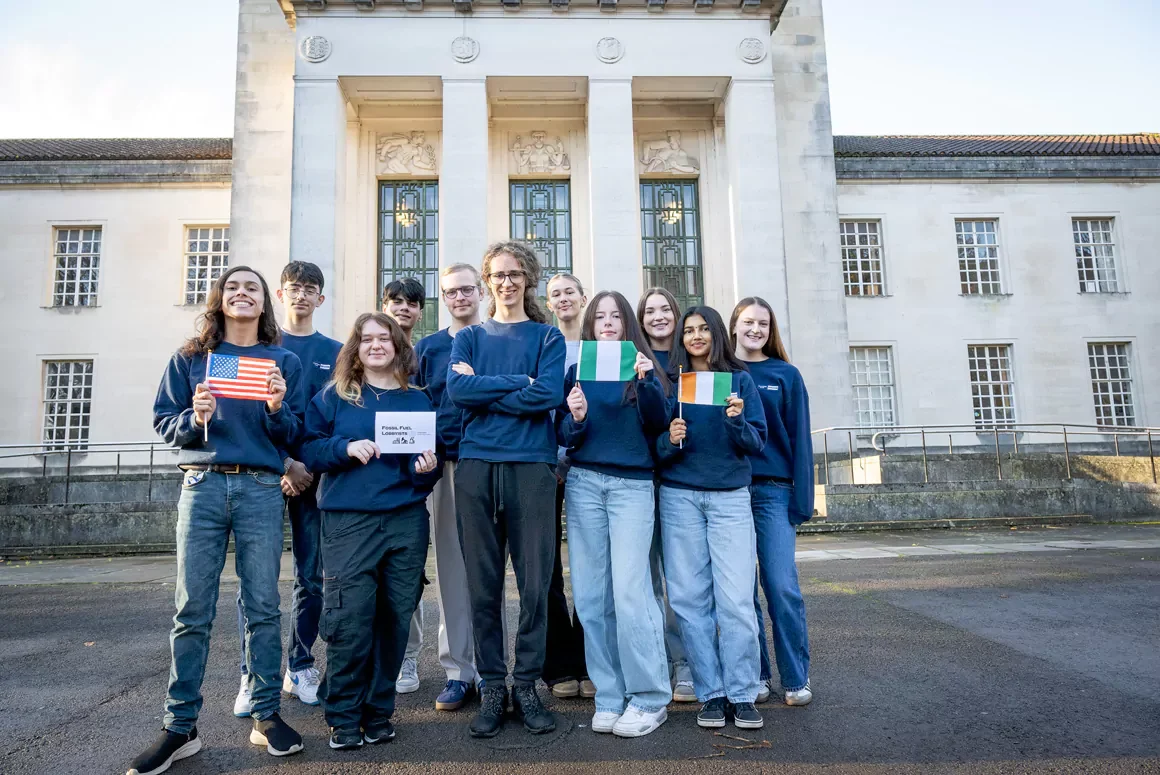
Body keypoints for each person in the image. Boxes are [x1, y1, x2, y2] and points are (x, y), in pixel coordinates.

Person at [130, 266, 305, 775]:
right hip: (201, 487)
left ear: (264, 301)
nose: (242, 293)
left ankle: (265, 714)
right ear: (220, 299)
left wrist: (275, 407)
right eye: (233, 286)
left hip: (259, 489)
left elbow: (293, 433)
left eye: (252, 287)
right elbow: (167, 422)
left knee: (263, 606)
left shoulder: (282, 359)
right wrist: (196, 417)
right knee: (192, 609)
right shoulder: (192, 359)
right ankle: (180, 726)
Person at [300, 313, 441, 750]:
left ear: (399, 347)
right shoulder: (336, 398)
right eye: (367, 339)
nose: (376, 345)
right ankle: (343, 715)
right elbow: (308, 448)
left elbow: (424, 470)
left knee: (395, 618)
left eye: (385, 338)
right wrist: (343, 448)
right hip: (349, 522)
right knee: (348, 620)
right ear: (355, 349)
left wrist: (426, 470)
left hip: (406, 520)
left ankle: (379, 712)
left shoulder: (419, 401)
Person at [447, 240, 565, 738]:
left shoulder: (547, 338)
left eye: (515, 274)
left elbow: (550, 393)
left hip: (532, 468)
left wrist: (491, 387)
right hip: (476, 468)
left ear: (528, 280)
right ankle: (493, 685)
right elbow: (458, 392)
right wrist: (520, 384)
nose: (507, 282)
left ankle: (528, 684)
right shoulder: (470, 337)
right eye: (498, 275)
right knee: (483, 585)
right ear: (487, 281)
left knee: (535, 584)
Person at [557, 290, 672, 737]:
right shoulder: (577, 369)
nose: (607, 322)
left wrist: (646, 383)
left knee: (631, 592)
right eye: (599, 317)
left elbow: (660, 425)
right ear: (590, 325)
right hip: (585, 483)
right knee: (590, 597)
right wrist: (578, 418)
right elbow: (565, 433)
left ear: (627, 324)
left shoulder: (644, 368)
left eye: (615, 316)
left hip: (631, 488)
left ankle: (648, 698)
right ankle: (610, 694)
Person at [232, 261, 340, 717]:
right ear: (279, 294)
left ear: (320, 298)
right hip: (263, 474)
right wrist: (283, 465)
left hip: (313, 479)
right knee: (255, 582)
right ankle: (251, 673)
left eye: (310, 289)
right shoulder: (255, 348)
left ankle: (299, 664)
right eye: (293, 288)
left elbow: (332, 416)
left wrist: (305, 465)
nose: (301, 295)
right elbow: (240, 420)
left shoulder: (335, 351)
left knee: (310, 577)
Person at [656, 306, 768, 731]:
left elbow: (756, 443)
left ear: (717, 334)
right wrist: (670, 439)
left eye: (704, 329)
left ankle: (741, 692)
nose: (696, 336)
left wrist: (737, 421)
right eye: (689, 331)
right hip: (680, 497)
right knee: (688, 599)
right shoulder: (675, 384)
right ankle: (711, 693)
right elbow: (656, 446)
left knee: (736, 599)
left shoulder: (739, 381)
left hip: (730, 499)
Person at [730, 297, 814, 708]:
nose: (755, 330)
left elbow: (800, 438)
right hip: (729, 492)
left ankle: (796, 678)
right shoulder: (722, 373)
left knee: (781, 586)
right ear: (733, 326)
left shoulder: (786, 375)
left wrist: (803, 499)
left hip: (774, 492)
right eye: (748, 322)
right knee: (741, 591)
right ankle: (758, 674)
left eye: (762, 323)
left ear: (771, 330)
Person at [412, 263, 487, 712]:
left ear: (480, 291)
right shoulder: (430, 347)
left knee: (492, 570)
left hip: (495, 463)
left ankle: (494, 669)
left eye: (466, 289)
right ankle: (459, 670)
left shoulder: (498, 339)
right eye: (451, 292)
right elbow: (420, 406)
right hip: (448, 466)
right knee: (453, 573)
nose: (459, 297)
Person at [636, 287, 696, 703]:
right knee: (647, 580)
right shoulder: (634, 361)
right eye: (649, 311)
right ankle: (661, 661)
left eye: (664, 310)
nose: (658, 317)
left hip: (685, 481)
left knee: (683, 581)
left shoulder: (693, 363)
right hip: (641, 479)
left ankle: (687, 663)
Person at [542, 272, 592, 700]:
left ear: (583, 297)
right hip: (546, 468)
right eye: (555, 294)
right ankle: (559, 664)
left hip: (591, 466)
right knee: (547, 568)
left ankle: (593, 659)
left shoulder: (600, 348)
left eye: (569, 292)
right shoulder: (542, 344)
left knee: (592, 566)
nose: (563, 299)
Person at [382, 275, 428, 694]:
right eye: (396, 301)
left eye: (411, 303)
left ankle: (407, 657)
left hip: (412, 481)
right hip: (370, 479)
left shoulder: (423, 354)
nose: (403, 308)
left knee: (408, 575)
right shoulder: (364, 350)